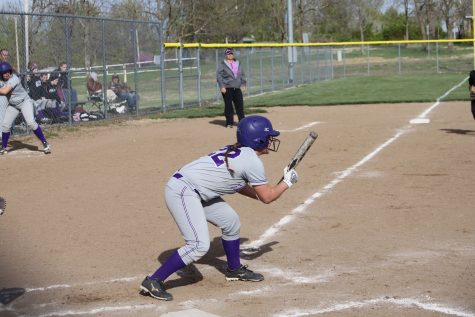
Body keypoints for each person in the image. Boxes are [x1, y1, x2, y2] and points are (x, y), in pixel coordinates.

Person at [140, 115, 299, 301]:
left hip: (195, 190)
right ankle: (153, 281)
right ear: (258, 139)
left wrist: (269, 191)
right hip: (183, 191)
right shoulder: (252, 161)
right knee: (199, 245)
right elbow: (267, 197)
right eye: (269, 136)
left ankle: (234, 269)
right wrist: (288, 182)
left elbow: (240, 186)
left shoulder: (238, 151)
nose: (271, 140)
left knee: (230, 221)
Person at [0, 62, 51, 154]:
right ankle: (3, 148)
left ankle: (45, 143)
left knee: (31, 122)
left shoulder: (14, 78)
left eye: (8, 71)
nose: (7, 74)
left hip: (24, 102)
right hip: (13, 105)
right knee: (5, 125)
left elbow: (4, 91)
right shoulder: (1, 80)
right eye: (4, 72)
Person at [216, 48, 247, 128]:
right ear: (226, 55)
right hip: (227, 88)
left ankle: (242, 122)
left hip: (237, 87)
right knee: (228, 106)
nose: (230, 55)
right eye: (228, 54)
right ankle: (229, 122)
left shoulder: (238, 63)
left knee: (239, 105)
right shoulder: (222, 64)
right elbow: (219, 76)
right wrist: (222, 86)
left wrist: (243, 84)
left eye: (231, 53)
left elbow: (242, 75)